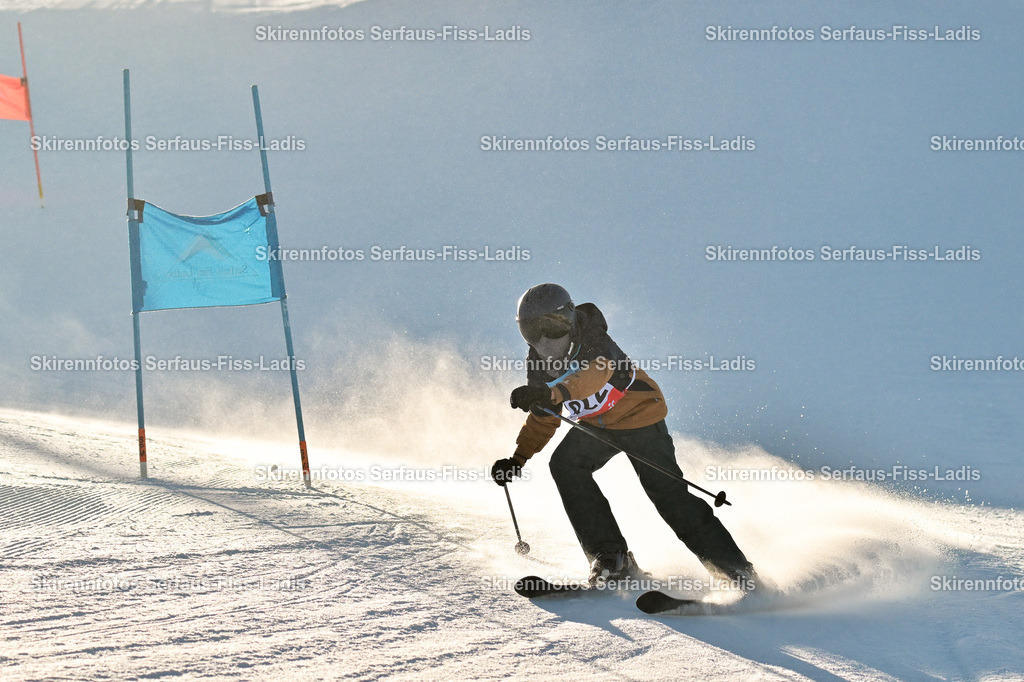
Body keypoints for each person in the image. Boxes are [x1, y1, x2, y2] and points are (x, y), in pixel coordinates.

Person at [492, 283, 756, 588]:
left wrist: (551, 393)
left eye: (550, 328)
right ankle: (610, 559)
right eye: (531, 332)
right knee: (565, 464)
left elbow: (591, 377)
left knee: (668, 495)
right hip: (599, 426)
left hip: (639, 417)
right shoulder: (539, 361)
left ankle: (736, 571)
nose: (543, 341)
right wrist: (519, 457)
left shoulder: (594, 340)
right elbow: (545, 413)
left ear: (569, 320)